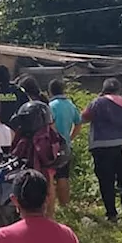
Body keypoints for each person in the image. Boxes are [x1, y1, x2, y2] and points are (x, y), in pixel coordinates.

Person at [82, 79, 122, 222]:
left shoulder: (98, 102)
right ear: (119, 90)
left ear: (104, 89)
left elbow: (83, 117)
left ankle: (111, 213)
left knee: (106, 180)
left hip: (102, 146)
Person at [47, 79, 82, 207]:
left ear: (50, 91)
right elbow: (78, 123)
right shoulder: (70, 104)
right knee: (64, 176)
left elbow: (50, 125)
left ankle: (52, 206)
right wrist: (70, 138)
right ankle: (65, 205)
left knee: (51, 175)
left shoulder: (51, 106)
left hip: (52, 146)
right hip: (66, 145)